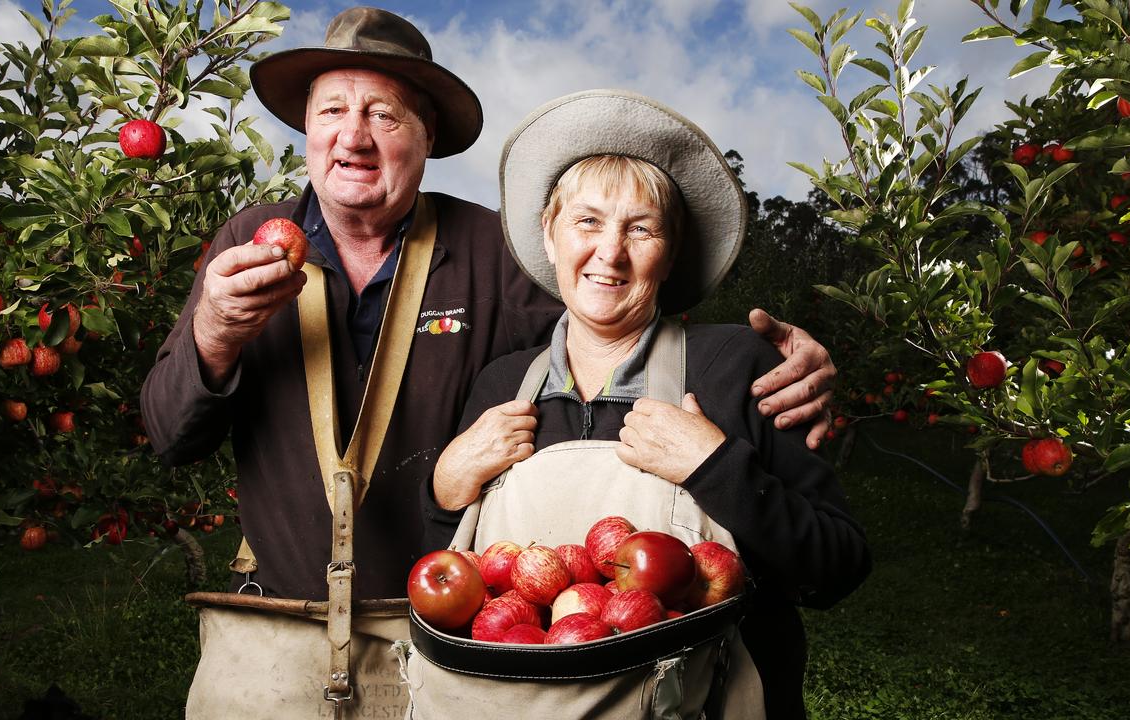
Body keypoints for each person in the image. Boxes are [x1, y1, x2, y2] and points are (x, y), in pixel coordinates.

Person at [141, 6, 838, 603]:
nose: (353, 135)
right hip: (274, 618)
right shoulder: (244, 247)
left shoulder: (489, 249)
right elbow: (170, 437)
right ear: (308, 129)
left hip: (440, 622)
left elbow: (614, 321)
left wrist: (782, 371)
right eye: (332, 110)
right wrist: (214, 333)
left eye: (383, 114)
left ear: (428, 137)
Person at [423, 90, 870, 719]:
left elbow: (837, 566)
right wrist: (444, 495)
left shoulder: (739, 365)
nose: (610, 252)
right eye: (586, 221)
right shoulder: (504, 384)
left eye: (641, 227)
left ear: (671, 250)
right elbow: (459, 591)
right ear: (549, 236)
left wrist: (716, 469)